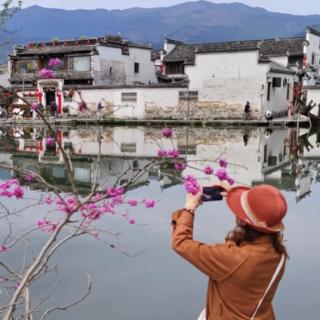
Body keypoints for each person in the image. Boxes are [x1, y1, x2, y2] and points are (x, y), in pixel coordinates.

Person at [172, 182, 288, 320]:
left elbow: (181, 243)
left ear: (242, 221)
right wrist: (238, 199)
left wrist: (189, 208)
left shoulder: (231, 258)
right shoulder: (278, 251)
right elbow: (264, 215)